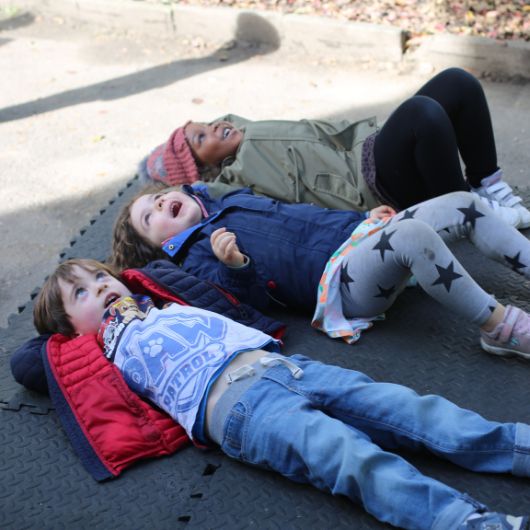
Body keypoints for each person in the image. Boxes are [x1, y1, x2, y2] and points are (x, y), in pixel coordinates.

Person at [16, 257, 530, 530]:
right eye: (79, 293)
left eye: (100, 276)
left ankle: (516, 447)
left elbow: (199, 279)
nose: (100, 288)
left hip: (291, 367)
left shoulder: (161, 298)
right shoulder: (96, 354)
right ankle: (463, 521)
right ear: (68, 330)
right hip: (241, 409)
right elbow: (29, 364)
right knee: (349, 458)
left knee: (410, 410)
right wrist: (75, 333)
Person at [111, 184, 530, 357]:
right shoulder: (198, 256)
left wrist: (360, 217)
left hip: (356, 237)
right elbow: (244, 303)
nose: (160, 205)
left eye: (159, 197)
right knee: (413, 236)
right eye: (150, 218)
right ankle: (498, 327)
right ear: (161, 247)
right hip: (341, 283)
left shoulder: (230, 202)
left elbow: (303, 216)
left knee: (463, 202)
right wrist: (235, 267)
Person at [140, 67, 530, 230]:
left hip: (371, 150)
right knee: (422, 115)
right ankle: (468, 212)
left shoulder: (241, 129)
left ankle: (486, 184)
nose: (215, 127)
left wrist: (209, 135)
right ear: (204, 170)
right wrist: (178, 188)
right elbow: (201, 198)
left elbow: (222, 125)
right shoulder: (234, 181)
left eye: (206, 123)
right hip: (375, 187)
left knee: (458, 83)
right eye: (201, 138)